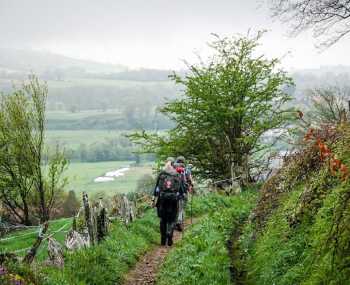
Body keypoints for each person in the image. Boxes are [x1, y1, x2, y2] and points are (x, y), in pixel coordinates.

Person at [152, 157, 184, 246]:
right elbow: (181, 190)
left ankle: (163, 240)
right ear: (174, 164)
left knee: (163, 219)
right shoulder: (177, 175)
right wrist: (182, 195)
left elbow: (156, 188)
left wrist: (153, 200)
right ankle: (169, 234)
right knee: (172, 219)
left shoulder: (162, 174)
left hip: (162, 200)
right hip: (173, 201)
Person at [174, 156, 193, 231]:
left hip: (173, 193)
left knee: (175, 208)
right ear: (183, 162)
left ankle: (172, 222)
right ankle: (179, 222)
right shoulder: (185, 170)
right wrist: (191, 185)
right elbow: (190, 180)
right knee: (181, 208)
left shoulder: (173, 169)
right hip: (183, 192)